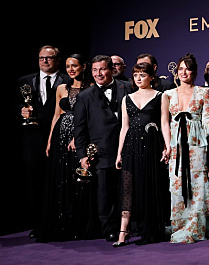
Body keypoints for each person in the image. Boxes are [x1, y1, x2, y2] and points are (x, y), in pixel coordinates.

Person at [160, 54, 209, 243]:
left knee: (197, 186)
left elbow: (206, 120)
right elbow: (165, 122)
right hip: (176, 146)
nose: (183, 72)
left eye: (187, 68)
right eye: (180, 69)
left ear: (194, 71)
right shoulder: (168, 94)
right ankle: (180, 225)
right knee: (177, 186)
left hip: (196, 145)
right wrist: (167, 146)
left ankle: (196, 226)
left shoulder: (203, 92)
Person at [39, 54, 96, 241]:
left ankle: (78, 223)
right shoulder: (61, 88)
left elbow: (90, 117)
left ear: (84, 66)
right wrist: (49, 141)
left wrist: (77, 138)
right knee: (60, 178)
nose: (71, 69)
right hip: (59, 137)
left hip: (80, 137)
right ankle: (61, 222)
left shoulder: (91, 88)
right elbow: (57, 115)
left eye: (75, 66)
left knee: (77, 179)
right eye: (68, 66)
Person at [113, 62, 170, 246]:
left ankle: (150, 228)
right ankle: (123, 231)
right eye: (136, 75)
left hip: (152, 145)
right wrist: (119, 153)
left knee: (148, 187)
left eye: (142, 75)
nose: (138, 78)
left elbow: (164, 123)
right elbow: (124, 127)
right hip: (130, 147)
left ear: (152, 76)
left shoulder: (161, 96)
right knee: (127, 189)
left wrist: (167, 146)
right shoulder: (126, 98)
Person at [73, 55, 129, 241]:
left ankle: (129, 226)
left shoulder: (127, 87)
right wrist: (82, 155)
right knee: (104, 193)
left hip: (127, 149)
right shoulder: (84, 97)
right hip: (101, 152)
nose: (98, 74)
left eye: (102, 69)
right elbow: (79, 129)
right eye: (95, 70)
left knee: (126, 190)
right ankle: (109, 228)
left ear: (111, 69)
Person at [19, 45, 69, 238]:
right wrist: (21, 112)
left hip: (58, 136)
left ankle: (59, 222)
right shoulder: (24, 81)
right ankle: (38, 225)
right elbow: (16, 103)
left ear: (57, 60)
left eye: (49, 58)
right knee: (35, 182)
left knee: (58, 180)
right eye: (42, 58)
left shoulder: (67, 81)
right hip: (32, 139)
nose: (45, 61)